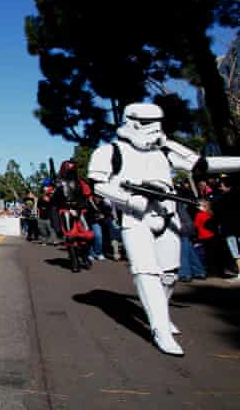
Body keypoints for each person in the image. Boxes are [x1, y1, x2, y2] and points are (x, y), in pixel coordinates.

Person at [88, 102, 240, 356]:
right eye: (148, 123)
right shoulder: (110, 152)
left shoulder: (165, 148)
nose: (154, 129)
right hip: (135, 218)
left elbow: (201, 165)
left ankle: (160, 313)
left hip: (168, 215)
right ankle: (160, 330)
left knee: (169, 274)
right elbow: (98, 184)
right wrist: (128, 200)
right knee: (145, 271)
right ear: (131, 122)